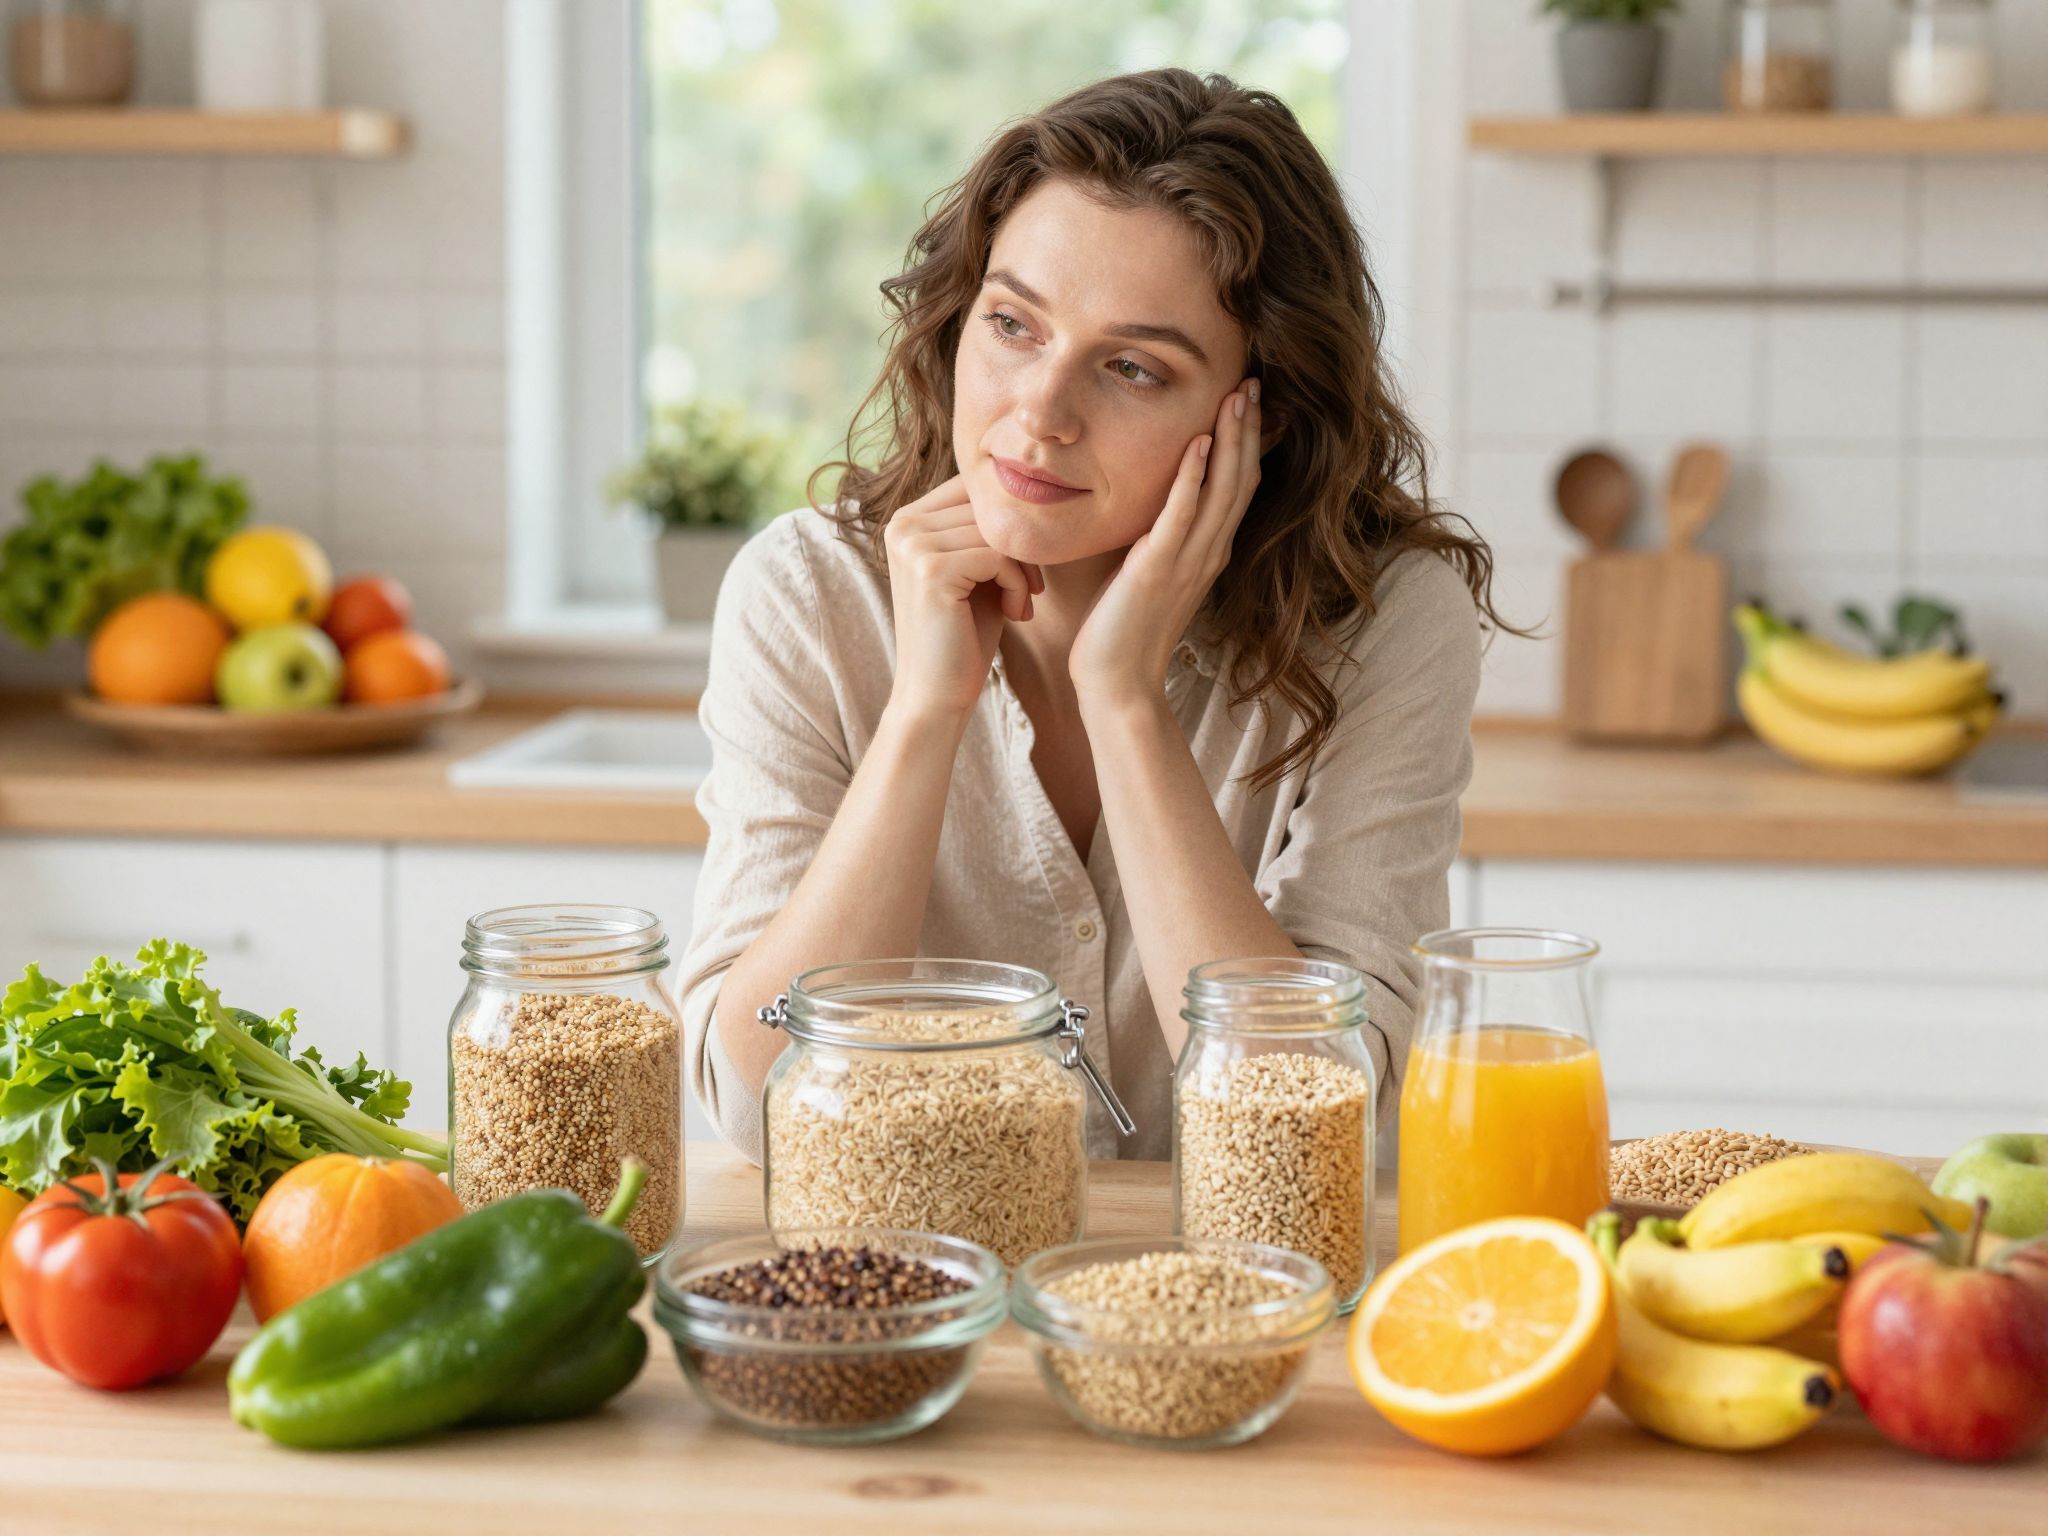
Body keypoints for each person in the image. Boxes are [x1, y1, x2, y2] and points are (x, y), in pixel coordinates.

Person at [675, 67, 1507, 1163]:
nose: (1039, 412)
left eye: (1130, 368)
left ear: (1262, 412)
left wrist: (1123, 702)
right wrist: (926, 712)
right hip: (912, 1288)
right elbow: (756, 1109)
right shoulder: (806, 595)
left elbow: (1316, 1140)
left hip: (1234, 1303)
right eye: (1012, 325)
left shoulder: (1385, 623)